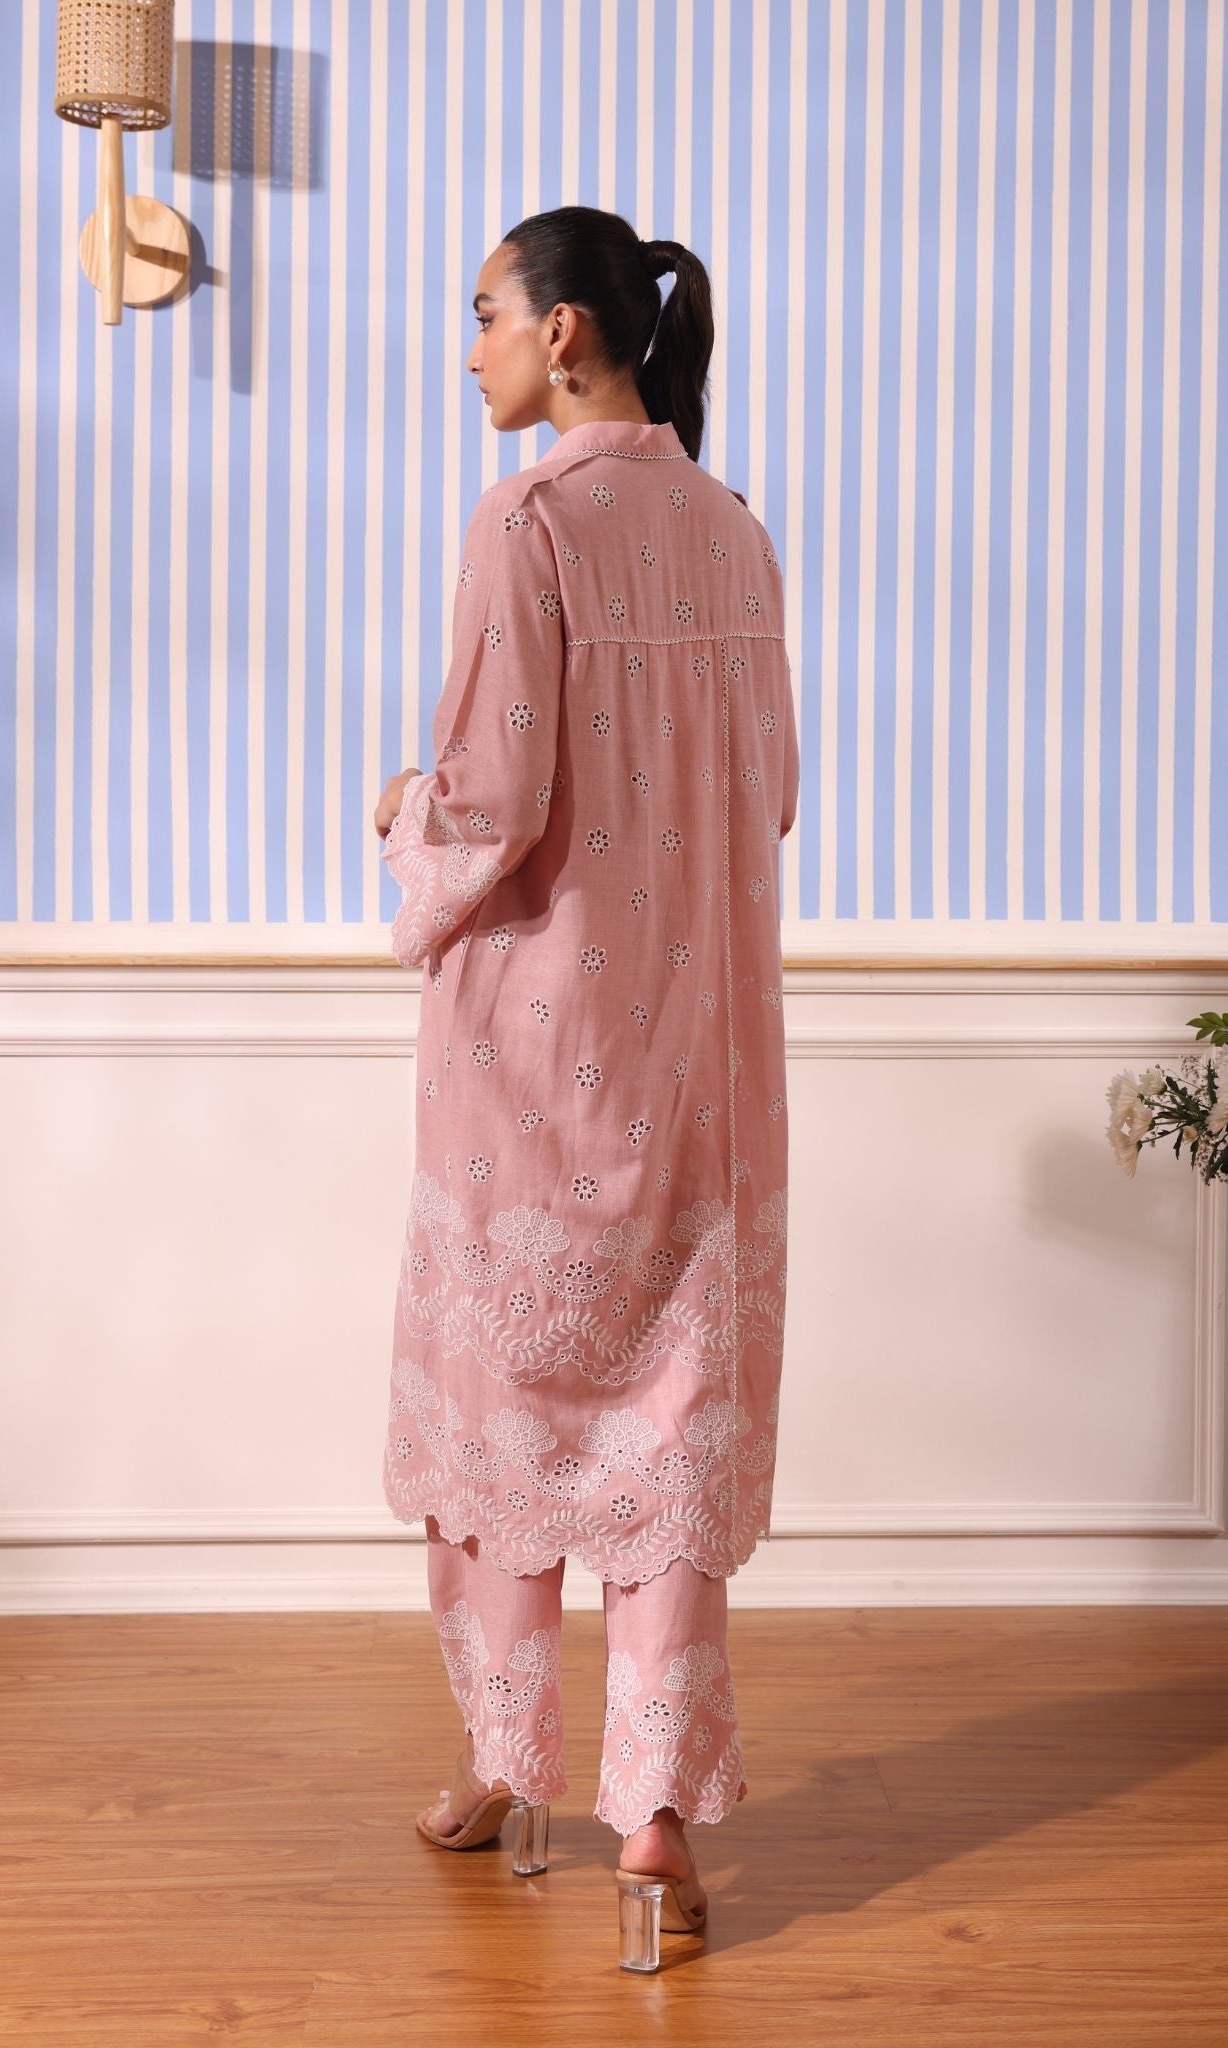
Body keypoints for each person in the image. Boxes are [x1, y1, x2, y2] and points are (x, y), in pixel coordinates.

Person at [373, 203, 798, 1973]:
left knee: (506, 1404)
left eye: (483, 313)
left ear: (562, 332)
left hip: (535, 1068)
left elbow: (488, 801)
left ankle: (511, 1758)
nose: (467, 347)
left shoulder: (527, 523)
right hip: (704, 1063)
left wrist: (397, 811)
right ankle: (652, 1824)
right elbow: (774, 793)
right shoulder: (735, 533)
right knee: (669, 1428)